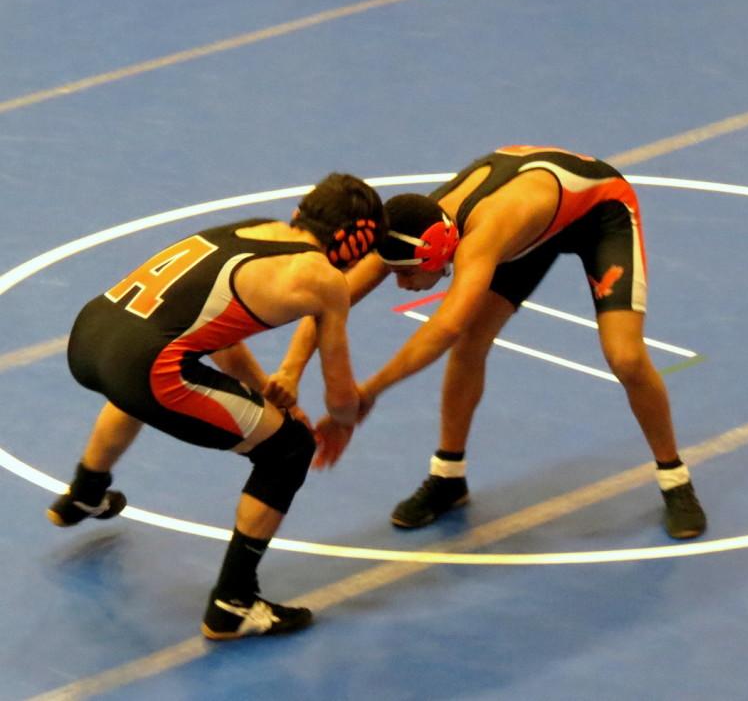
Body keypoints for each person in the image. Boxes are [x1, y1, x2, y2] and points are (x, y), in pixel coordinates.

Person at [271, 145, 706, 540]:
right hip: (533, 216)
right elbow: (331, 298)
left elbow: (444, 328)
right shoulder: (409, 229)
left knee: (625, 357)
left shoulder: (480, 239)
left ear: (437, 254)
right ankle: (448, 477)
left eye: (406, 274)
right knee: (473, 344)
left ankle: (675, 479)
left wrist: (368, 393)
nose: (401, 284)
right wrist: (290, 370)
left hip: (597, 210)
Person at [46, 173, 385, 640]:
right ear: (356, 246)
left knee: (143, 379)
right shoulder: (324, 279)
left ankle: (85, 491)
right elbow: (340, 396)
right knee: (288, 450)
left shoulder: (255, 230)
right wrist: (344, 422)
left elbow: (222, 343)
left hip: (90, 336)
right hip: (147, 367)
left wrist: (266, 389)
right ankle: (234, 602)